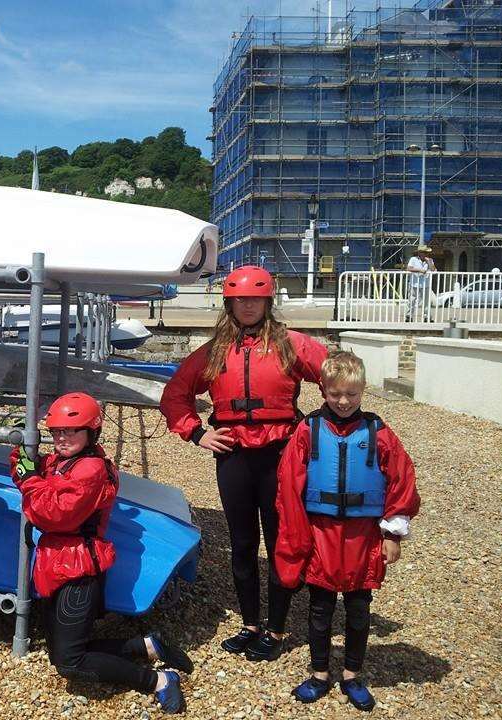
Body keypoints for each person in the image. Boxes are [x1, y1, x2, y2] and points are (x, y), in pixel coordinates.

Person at [160, 265, 327, 662]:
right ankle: (250, 623)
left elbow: (339, 380)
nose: (247, 305)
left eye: (254, 298)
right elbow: (175, 394)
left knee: (280, 541)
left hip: (279, 456)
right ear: (229, 303)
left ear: (267, 301)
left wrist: (320, 431)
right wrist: (197, 433)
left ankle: (277, 628)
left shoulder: (292, 344)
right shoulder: (215, 350)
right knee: (243, 544)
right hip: (233, 455)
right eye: (239, 300)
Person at [10, 392, 193, 714]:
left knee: (70, 664)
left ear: (91, 432)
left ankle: (158, 681)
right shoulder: (58, 460)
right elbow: (27, 468)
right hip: (55, 563)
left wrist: (30, 482)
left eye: (71, 431)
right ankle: (146, 646)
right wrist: (23, 455)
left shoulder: (91, 469)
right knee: (63, 653)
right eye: (56, 432)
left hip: (78, 567)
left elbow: (55, 514)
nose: (62, 438)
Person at [274, 351, 420, 711]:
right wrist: (296, 538)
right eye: (335, 393)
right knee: (320, 609)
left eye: (351, 395)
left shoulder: (379, 433)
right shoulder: (307, 430)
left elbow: (402, 482)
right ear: (323, 389)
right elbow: (288, 486)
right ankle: (319, 673)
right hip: (320, 534)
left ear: (363, 390)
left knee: (358, 610)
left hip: (363, 537)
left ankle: (352, 674)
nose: (343, 402)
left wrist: (392, 534)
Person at [405, 245, 435, 321]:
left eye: (426, 252)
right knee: (411, 300)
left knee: (426, 301)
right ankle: (409, 316)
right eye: (424, 252)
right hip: (414, 283)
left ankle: (427, 317)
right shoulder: (413, 259)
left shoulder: (430, 260)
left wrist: (429, 263)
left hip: (426, 284)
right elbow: (409, 268)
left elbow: (433, 270)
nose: (425, 254)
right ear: (419, 253)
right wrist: (420, 270)